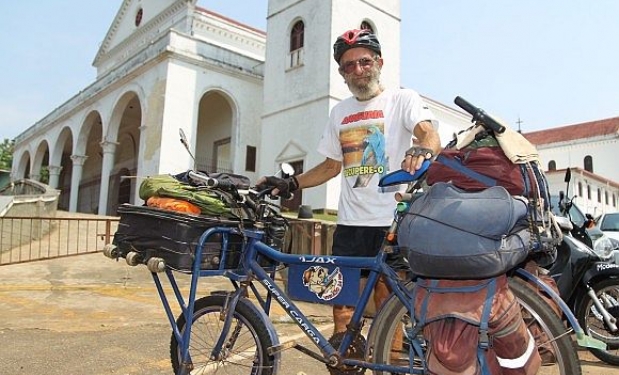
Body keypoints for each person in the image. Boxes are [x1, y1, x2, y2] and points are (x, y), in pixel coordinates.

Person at [257, 28, 441, 337]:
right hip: (351, 224)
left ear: (379, 63)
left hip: (391, 223)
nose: (357, 70)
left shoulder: (402, 99)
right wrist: (291, 184)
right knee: (340, 302)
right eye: (348, 65)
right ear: (342, 73)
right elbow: (331, 165)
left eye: (364, 62)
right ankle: (347, 364)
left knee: (388, 303)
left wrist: (423, 148)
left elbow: (427, 133)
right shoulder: (339, 112)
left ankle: (391, 366)